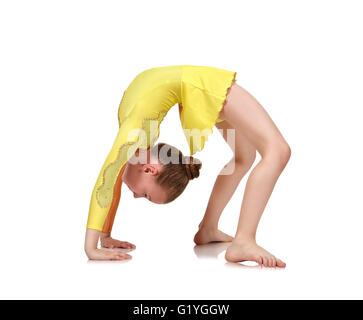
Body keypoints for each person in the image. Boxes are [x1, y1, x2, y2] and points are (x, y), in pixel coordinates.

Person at [84, 65, 291, 268]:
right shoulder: (136, 147)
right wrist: (104, 236)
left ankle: (238, 237)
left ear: (149, 169)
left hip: (201, 85)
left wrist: (90, 247)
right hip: (193, 90)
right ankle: (217, 232)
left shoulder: (133, 135)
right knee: (248, 157)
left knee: (274, 152)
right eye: (145, 196)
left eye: (146, 194)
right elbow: (111, 187)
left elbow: (106, 185)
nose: (137, 197)